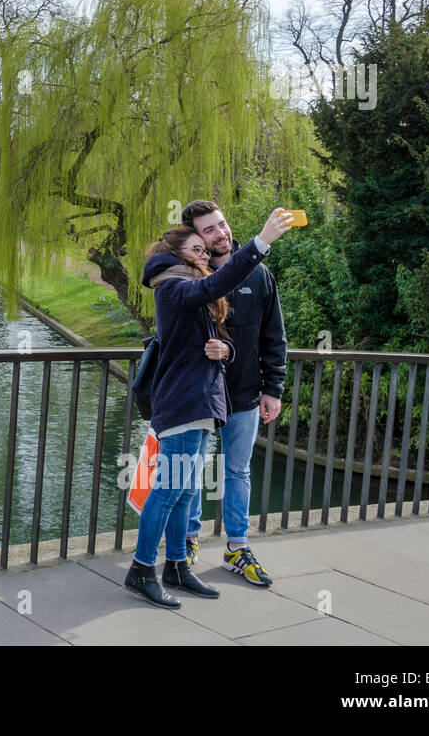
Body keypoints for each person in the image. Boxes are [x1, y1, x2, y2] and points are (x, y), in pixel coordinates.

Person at [124, 208, 294, 608]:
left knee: (183, 492)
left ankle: (178, 566)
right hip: (184, 403)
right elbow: (217, 282)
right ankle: (141, 569)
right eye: (196, 248)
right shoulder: (173, 285)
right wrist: (261, 243)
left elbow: (214, 341)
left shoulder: (191, 285)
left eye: (205, 249)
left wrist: (230, 350)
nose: (204, 255)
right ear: (179, 253)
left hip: (203, 402)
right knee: (166, 491)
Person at [181, 200, 287, 587]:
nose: (220, 233)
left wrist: (273, 388)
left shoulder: (259, 275)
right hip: (200, 394)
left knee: (238, 471)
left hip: (244, 393)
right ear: (197, 237)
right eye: (209, 230)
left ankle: (237, 548)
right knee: (191, 471)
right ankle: (187, 540)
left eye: (221, 225)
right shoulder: (189, 276)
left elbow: (274, 336)